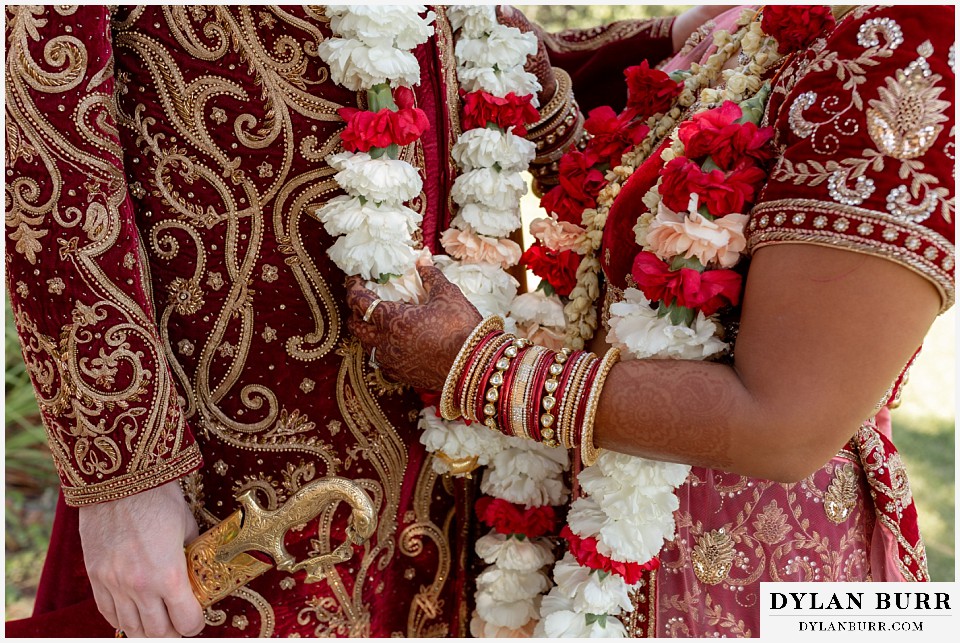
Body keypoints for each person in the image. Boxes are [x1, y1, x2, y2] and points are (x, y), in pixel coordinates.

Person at [4, 4, 725, 638]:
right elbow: (42, 121)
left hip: (439, 447)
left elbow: (462, 41)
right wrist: (126, 477)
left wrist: (663, 41)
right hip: (223, 463)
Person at [345, 4, 955, 637]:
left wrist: (475, 368)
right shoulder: (754, 18)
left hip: (755, 578)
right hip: (578, 520)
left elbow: (786, 424)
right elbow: (607, 146)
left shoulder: (913, 36)